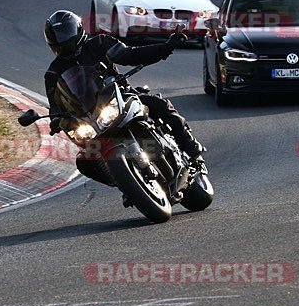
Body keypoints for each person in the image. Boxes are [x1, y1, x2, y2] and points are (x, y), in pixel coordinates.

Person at [43, 10, 206, 189]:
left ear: (78, 32)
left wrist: (167, 45)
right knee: (85, 161)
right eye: (60, 43)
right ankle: (124, 183)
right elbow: (54, 105)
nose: (65, 46)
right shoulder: (53, 73)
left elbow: (131, 55)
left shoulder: (99, 43)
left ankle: (191, 148)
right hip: (89, 119)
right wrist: (56, 120)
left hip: (119, 97)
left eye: (67, 40)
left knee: (159, 105)